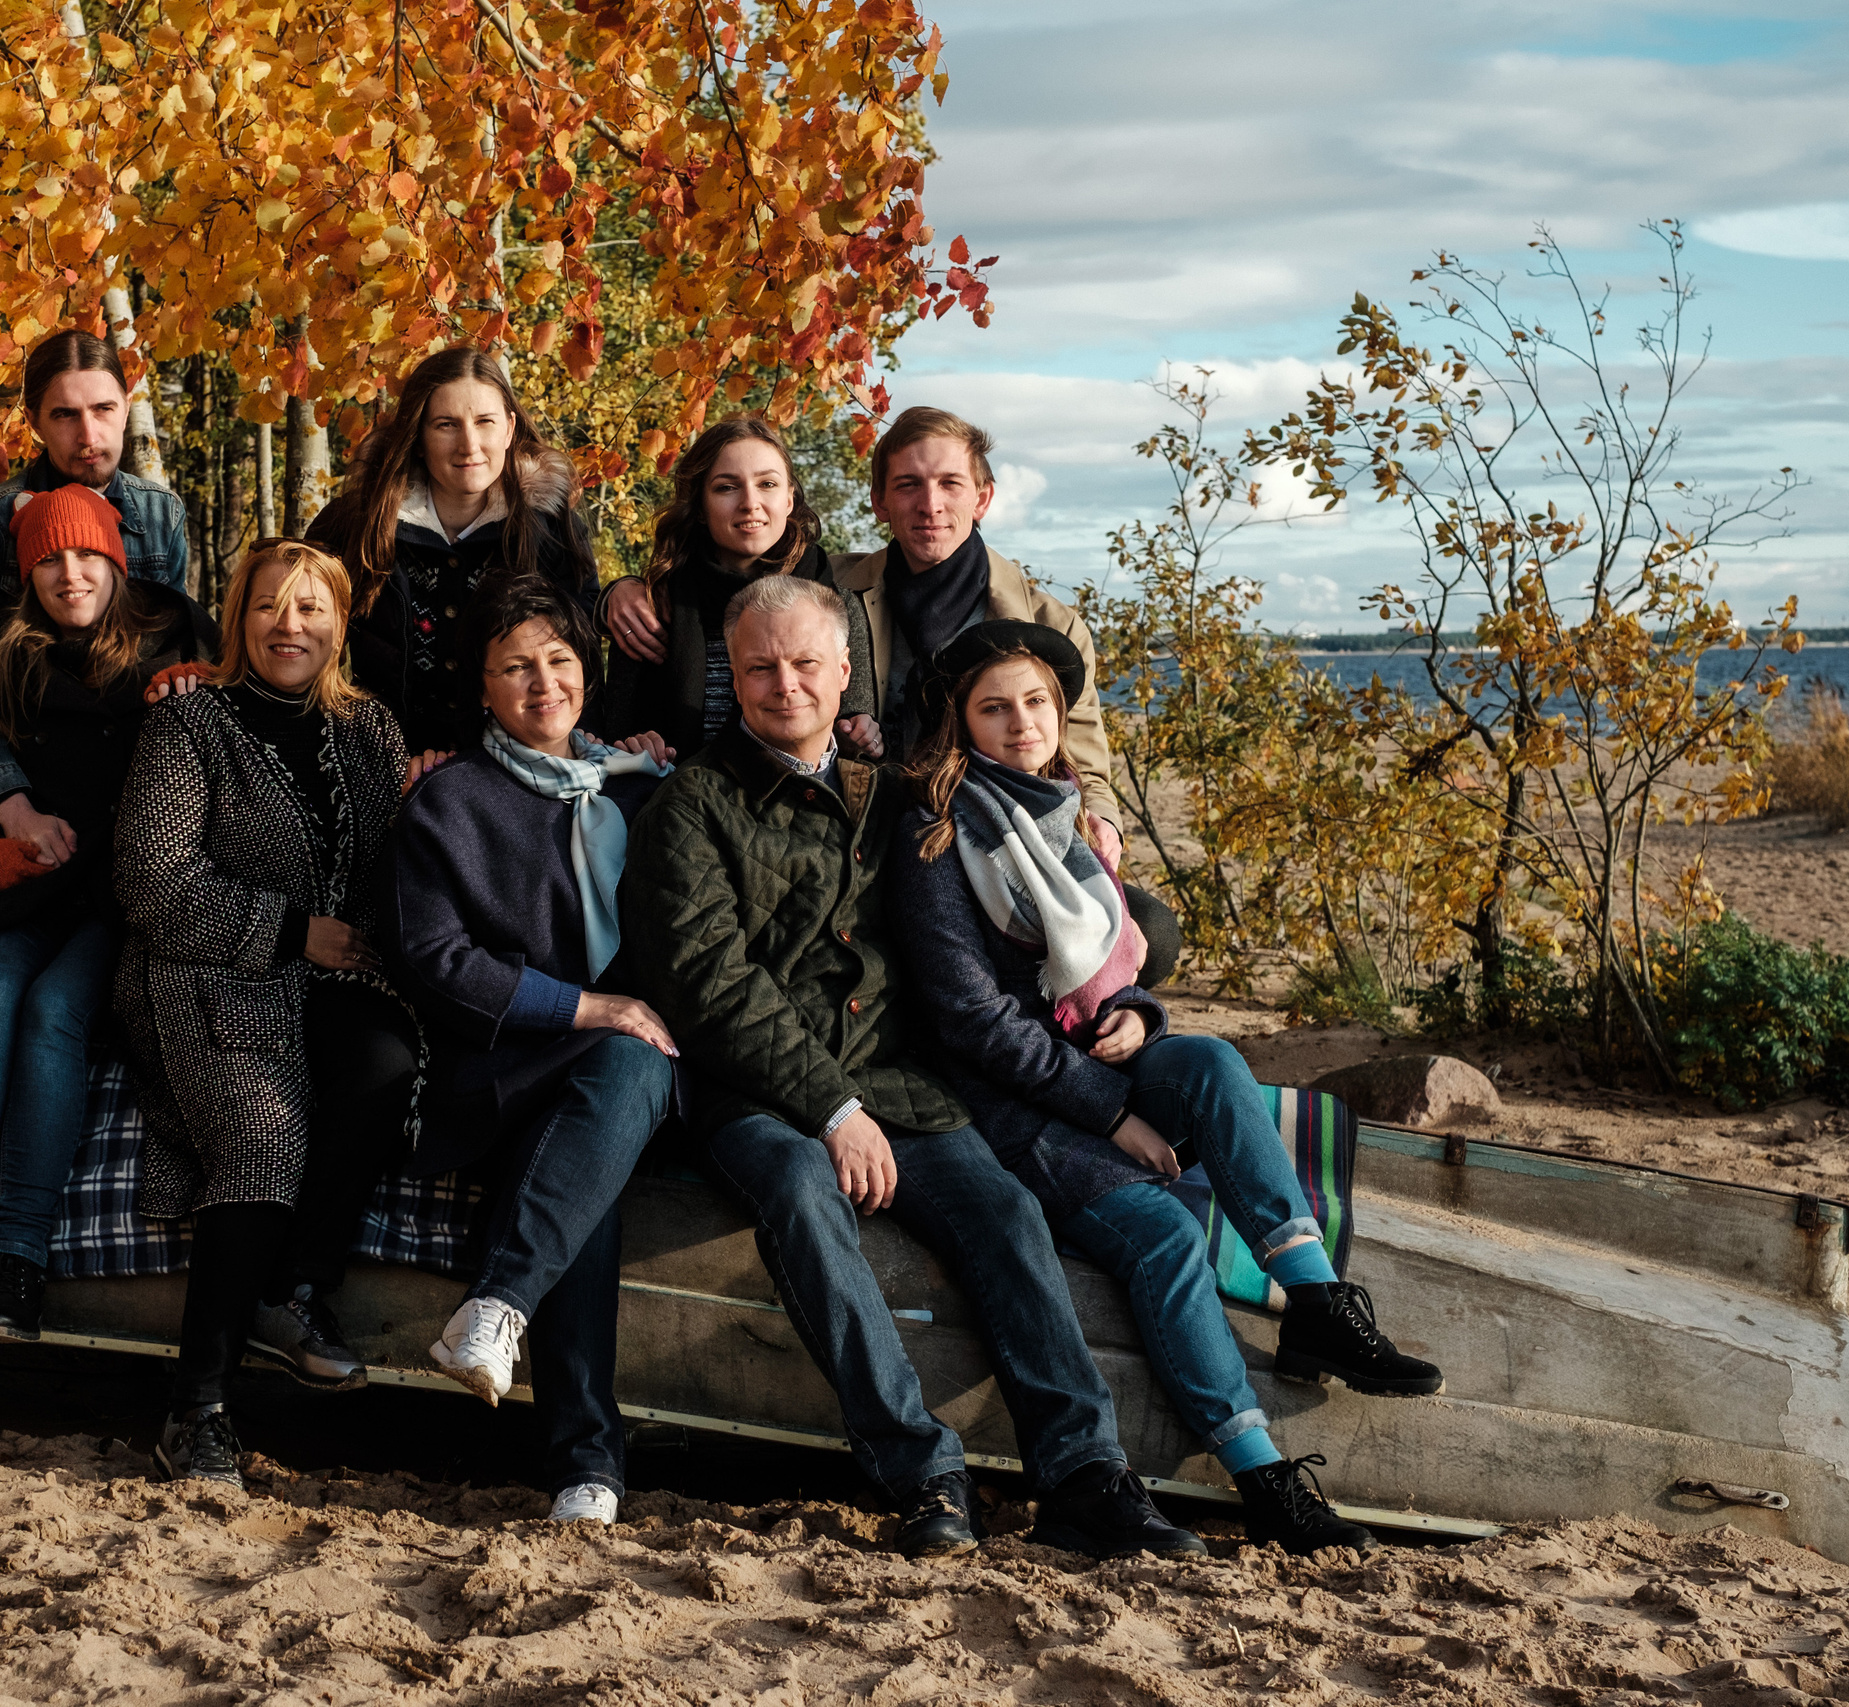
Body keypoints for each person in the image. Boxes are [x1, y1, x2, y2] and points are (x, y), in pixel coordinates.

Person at [618, 574, 1207, 1562]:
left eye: (805, 662)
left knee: (1004, 1213)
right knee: (801, 1195)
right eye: (760, 667)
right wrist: (831, 1108)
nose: (785, 684)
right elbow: (711, 988)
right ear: (734, 674)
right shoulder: (690, 808)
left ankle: (1083, 1474)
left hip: (897, 1080)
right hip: (757, 1089)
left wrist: (1136, 984)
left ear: (844, 669)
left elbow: (1038, 897)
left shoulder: (898, 795)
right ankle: (922, 1471)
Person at [889, 619, 1446, 1556]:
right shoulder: (938, 837)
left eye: (1037, 701)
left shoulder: (1068, 813)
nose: (1022, 723)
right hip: (1016, 1107)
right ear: (961, 723)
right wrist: (1115, 1115)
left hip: (1096, 1056)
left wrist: (1143, 1016)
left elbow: (1119, 959)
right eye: (994, 708)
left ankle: (1316, 1302)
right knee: (1165, 1231)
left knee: (1213, 1060)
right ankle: (1262, 1474)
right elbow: (973, 1023)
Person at [110, 539, 417, 1491]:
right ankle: (195, 1410)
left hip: (333, 972)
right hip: (203, 965)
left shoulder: (370, 729)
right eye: (269, 607)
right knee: (262, 1130)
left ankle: (289, 1288)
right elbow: (151, 882)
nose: (291, 626)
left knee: (384, 1068)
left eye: (312, 608)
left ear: (340, 624)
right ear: (238, 618)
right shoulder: (189, 723)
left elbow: (395, 863)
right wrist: (290, 931)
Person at [377, 572, 678, 1526]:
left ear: (588, 670)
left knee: (627, 1070)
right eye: (515, 667)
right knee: (597, 1128)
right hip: (502, 1066)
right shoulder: (449, 800)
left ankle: (502, 1314)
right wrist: (585, 1007)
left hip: (632, 1071)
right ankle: (587, 1465)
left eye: (558, 660)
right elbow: (433, 960)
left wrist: (620, 1017)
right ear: (482, 687)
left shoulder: (645, 791)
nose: (543, 683)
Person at [0, 485, 216, 1342]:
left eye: (87, 556)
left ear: (118, 560)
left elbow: (239, 749)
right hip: (29, 890)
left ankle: (18, 1260)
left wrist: (204, 695)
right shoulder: (2, 663)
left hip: (121, 903)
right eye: (49, 559)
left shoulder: (174, 641)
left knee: (53, 1012)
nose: (70, 574)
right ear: (25, 573)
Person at [819, 406, 1182, 986]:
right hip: (864, 839)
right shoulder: (828, 592)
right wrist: (648, 595)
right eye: (908, 485)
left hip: (994, 845)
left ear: (982, 498)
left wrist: (1104, 836)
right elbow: (737, 579)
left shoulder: (1051, 626)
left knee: (1153, 936)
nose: (930, 504)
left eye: (949, 483)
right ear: (879, 502)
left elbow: (1086, 769)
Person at [0, 330, 190, 867]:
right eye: (65, 414)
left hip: (88, 773)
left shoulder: (161, 516)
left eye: (103, 409)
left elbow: (171, 651)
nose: (88, 434)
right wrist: (13, 806)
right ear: (33, 421)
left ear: (126, 406)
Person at [306, 346, 601, 781]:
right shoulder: (356, 523)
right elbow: (293, 623)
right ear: (418, 436)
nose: (469, 445)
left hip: (518, 775)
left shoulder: (551, 529)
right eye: (446, 425)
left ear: (509, 429)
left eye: (485, 422)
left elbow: (583, 657)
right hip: (379, 767)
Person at [598, 417, 881, 761]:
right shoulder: (651, 607)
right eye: (726, 488)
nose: (750, 502)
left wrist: (859, 734)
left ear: (789, 499)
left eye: (767, 484)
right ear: (700, 506)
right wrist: (637, 751)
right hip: (671, 790)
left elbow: (854, 728)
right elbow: (617, 738)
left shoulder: (836, 603)